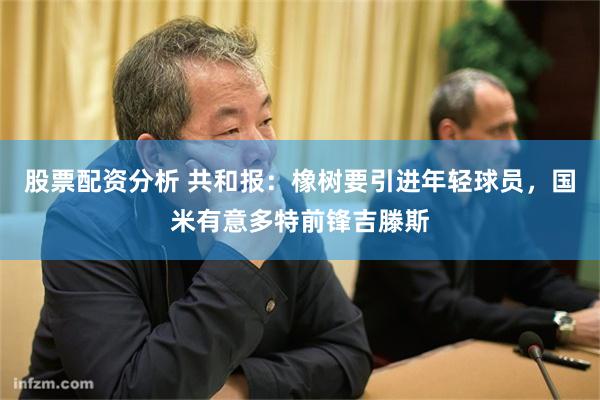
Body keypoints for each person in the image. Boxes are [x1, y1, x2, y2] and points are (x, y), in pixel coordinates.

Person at [22, 18, 371, 398]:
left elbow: (349, 353)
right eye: (230, 131)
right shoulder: (86, 224)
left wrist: (241, 389)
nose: (262, 149)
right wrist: (239, 256)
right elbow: (125, 392)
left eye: (266, 120)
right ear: (156, 156)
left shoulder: (278, 202)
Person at [354, 68, 600, 364]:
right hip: (399, 363)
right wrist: (562, 325)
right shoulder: (399, 200)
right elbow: (440, 308)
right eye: (499, 130)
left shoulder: (498, 193)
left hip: (472, 350)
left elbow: (534, 277)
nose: (514, 144)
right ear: (451, 135)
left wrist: (592, 304)